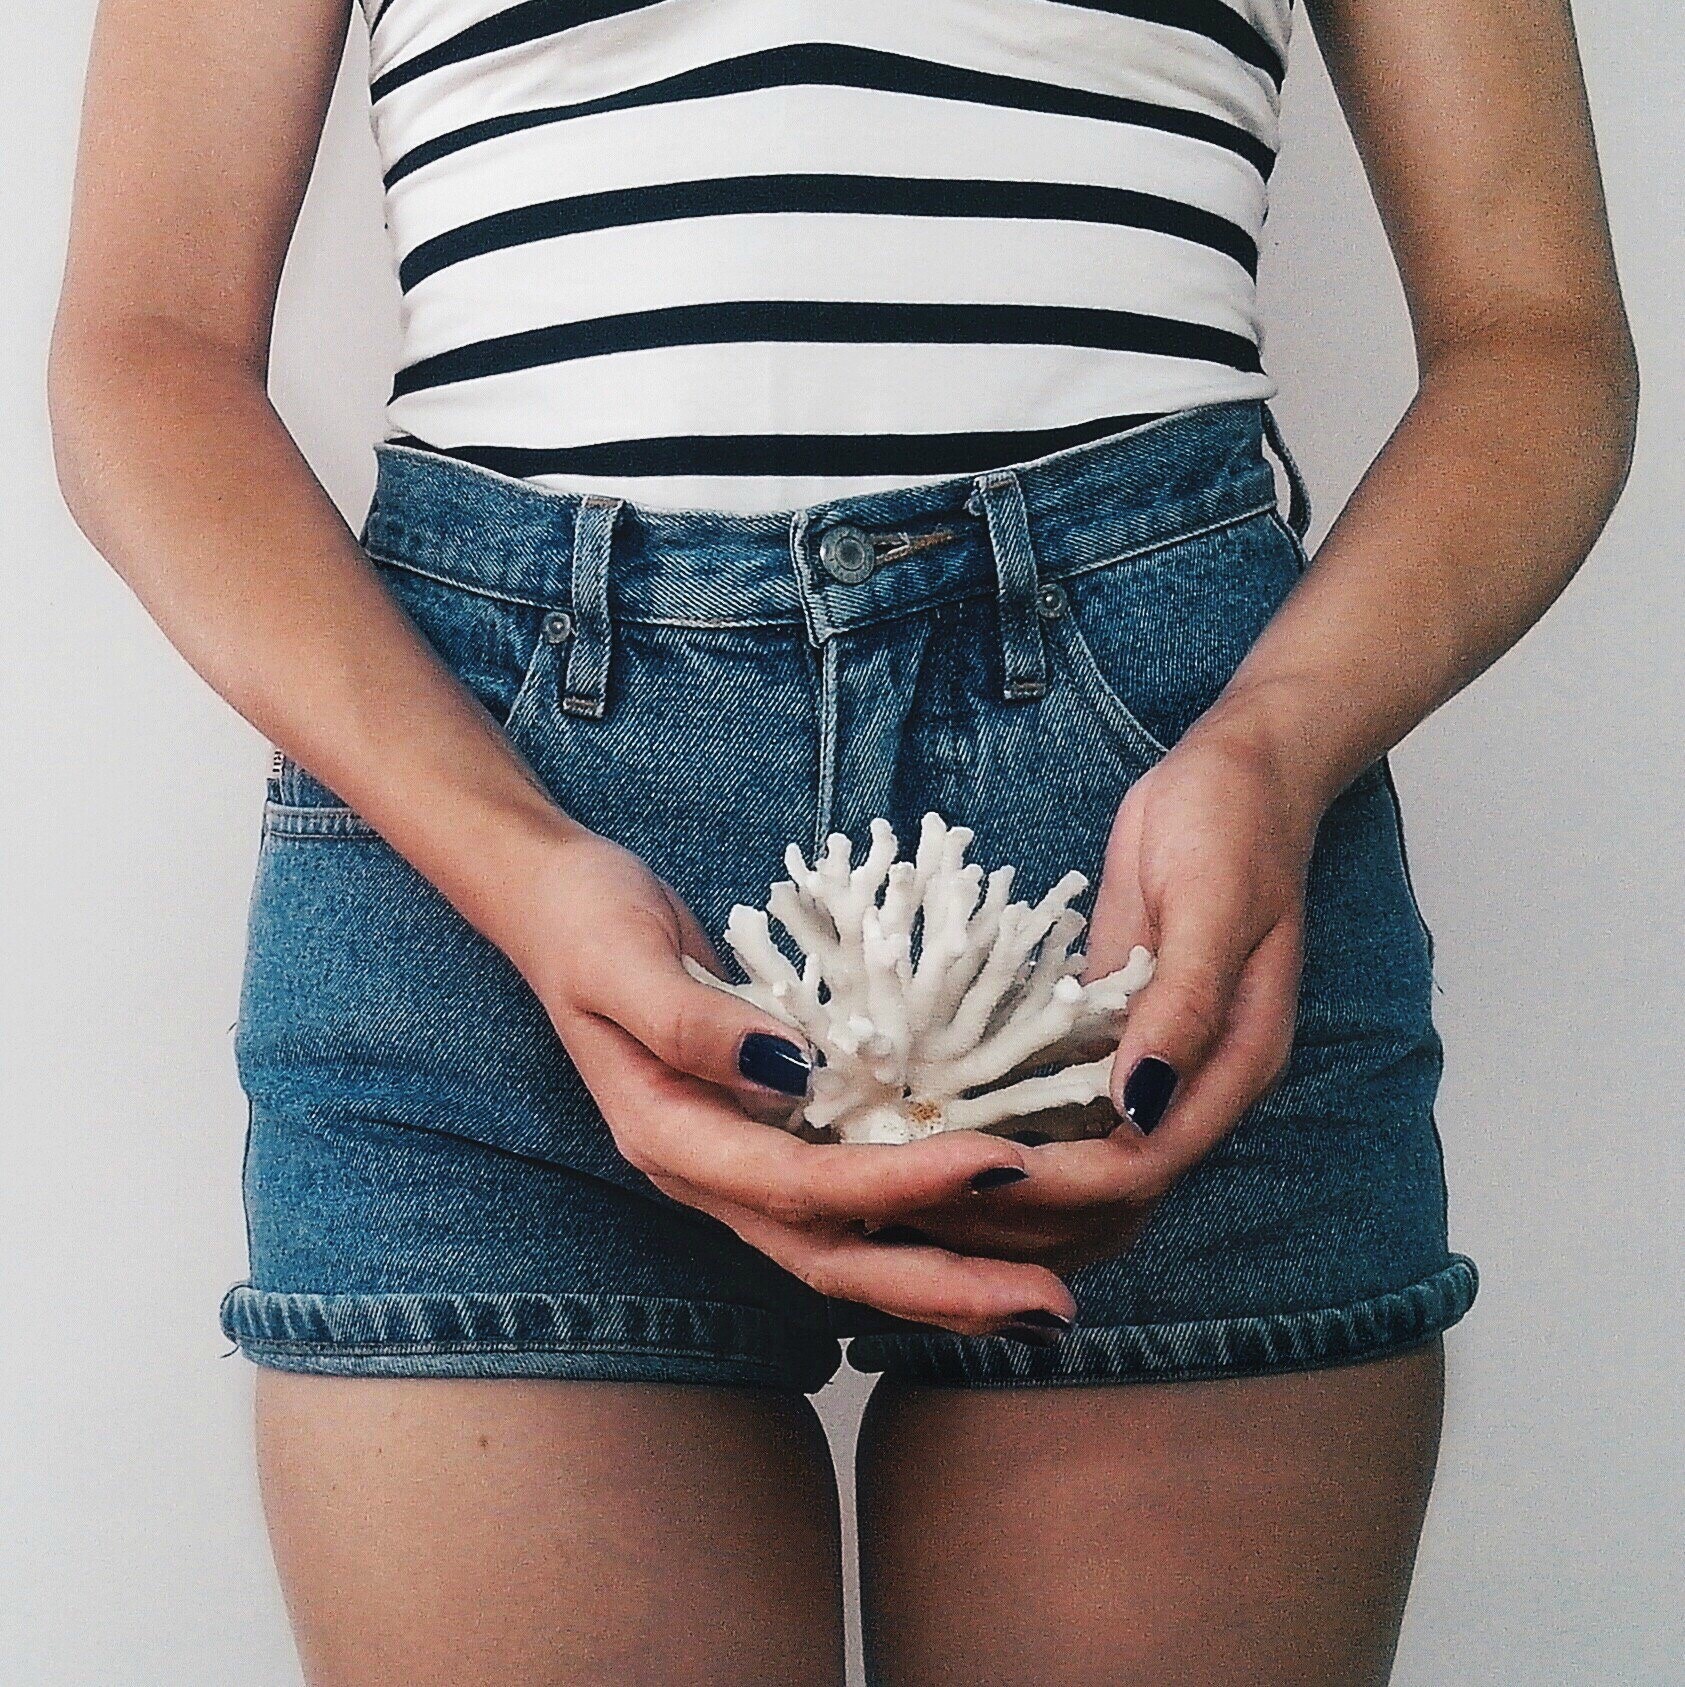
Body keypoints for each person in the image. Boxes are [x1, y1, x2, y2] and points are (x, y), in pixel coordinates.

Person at [49, 0, 1634, 1681]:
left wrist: (1275, 745)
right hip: (484, 809)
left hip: (1170, 816)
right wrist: (516, 866)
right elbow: (145, 348)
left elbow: (1532, 331)